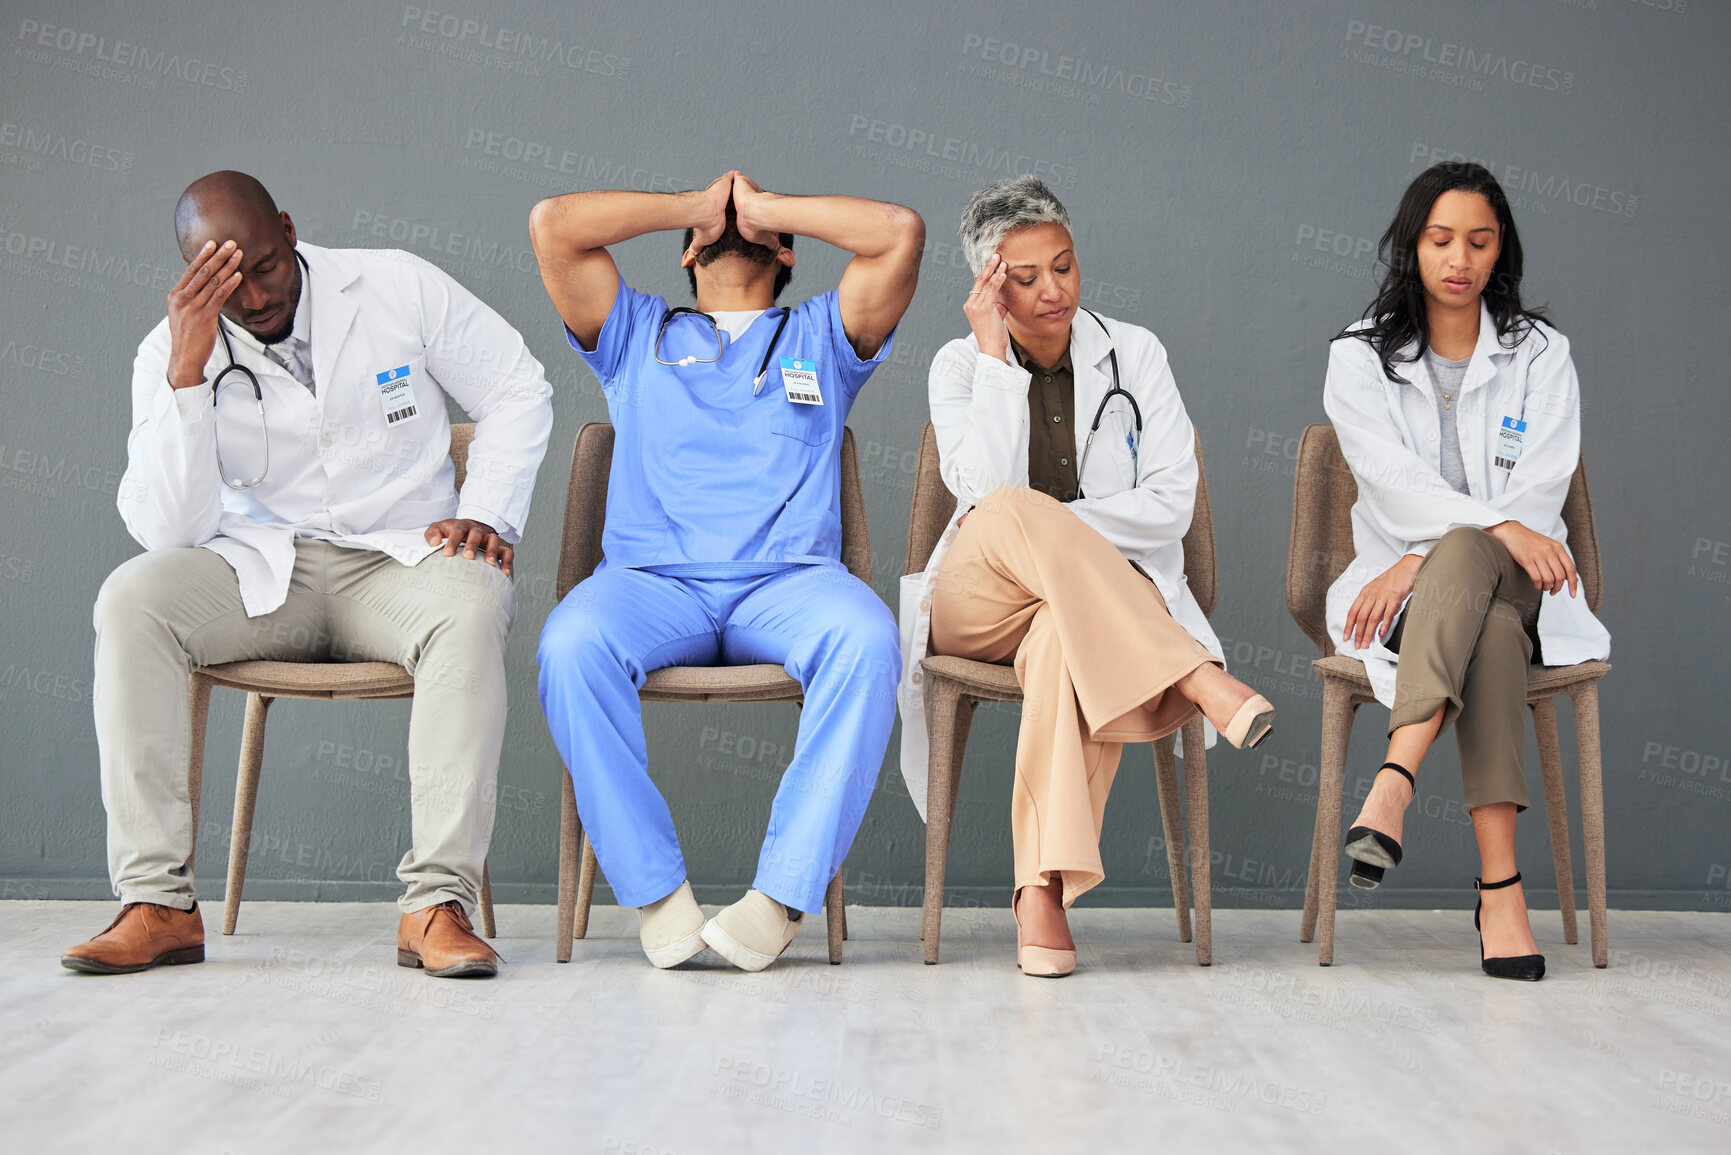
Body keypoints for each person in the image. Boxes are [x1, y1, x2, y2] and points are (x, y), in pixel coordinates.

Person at [62, 171, 553, 979]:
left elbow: (514, 384)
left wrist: (489, 512)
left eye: (263, 267)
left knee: (473, 600)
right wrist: (187, 372)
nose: (253, 298)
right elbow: (168, 531)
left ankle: (435, 906)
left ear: (288, 231)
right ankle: (158, 904)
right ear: (192, 279)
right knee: (131, 599)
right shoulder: (172, 348)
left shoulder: (394, 284)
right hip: (262, 570)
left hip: (399, 560)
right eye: (226, 283)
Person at [529, 171, 922, 972]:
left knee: (869, 638)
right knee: (569, 642)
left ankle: (778, 898)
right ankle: (657, 896)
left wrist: (768, 210)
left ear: (785, 254)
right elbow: (553, 225)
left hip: (787, 585)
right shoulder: (634, 331)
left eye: (758, 227)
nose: (734, 226)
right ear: (684, 256)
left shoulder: (822, 335)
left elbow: (898, 231)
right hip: (651, 584)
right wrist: (696, 209)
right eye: (717, 225)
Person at [899, 176, 1275, 978]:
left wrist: (1060, 529)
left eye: (1063, 267)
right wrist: (997, 360)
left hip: (1082, 612)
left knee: (1066, 637)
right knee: (1007, 509)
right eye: (1025, 278)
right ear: (988, 283)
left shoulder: (1134, 353)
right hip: (977, 600)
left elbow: (1171, 504)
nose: (1052, 291)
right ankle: (1196, 675)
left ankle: (1040, 893)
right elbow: (981, 495)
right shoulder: (958, 366)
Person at [1325, 162, 1610, 981]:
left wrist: (1447, 544)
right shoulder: (1357, 356)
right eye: (1440, 239)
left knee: (1484, 576)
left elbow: (1537, 493)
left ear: (1500, 251)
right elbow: (1389, 484)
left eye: (1478, 241)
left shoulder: (1541, 354)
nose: (1459, 258)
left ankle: (1392, 780)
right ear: (1411, 246)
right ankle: (1501, 891)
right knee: (1483, 633)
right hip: (1415, 597)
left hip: (1523, 582)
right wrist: (1439, 546)